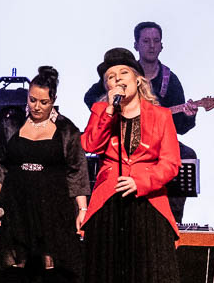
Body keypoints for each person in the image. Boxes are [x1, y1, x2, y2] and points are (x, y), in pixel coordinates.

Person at [80, 47, 182, 283]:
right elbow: (90, 144)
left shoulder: (161, 116)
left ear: (138, 79)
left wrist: (142, 181)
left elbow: (170, 163)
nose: (117, 80)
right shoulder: (101, 111)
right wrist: (109, 110)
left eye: (122, 73)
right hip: (108, 206)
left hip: (147, 206)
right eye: (110, 77)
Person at [0, 66, 89, 283]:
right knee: (12, 268)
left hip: (53, 206)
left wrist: (82, 209)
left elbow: (77, 173)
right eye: (32, 100)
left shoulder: (66, 129)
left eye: (43, 101)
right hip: (17, 204)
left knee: (52, 267)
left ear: (53, 100)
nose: (37, 106)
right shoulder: (10, 124)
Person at [84, 22, 199, 222]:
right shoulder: (118, 74)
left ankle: (174, 216)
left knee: (185, 155)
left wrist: (188, 115)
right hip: (118, 134)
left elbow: (179, 128)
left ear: (162, 45)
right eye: (146, 41)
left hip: (154, 141)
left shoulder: (170, 80)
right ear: (136, 45)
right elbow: (90, 99)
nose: (151, 46)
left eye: (156, 41)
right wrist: (108, 109)